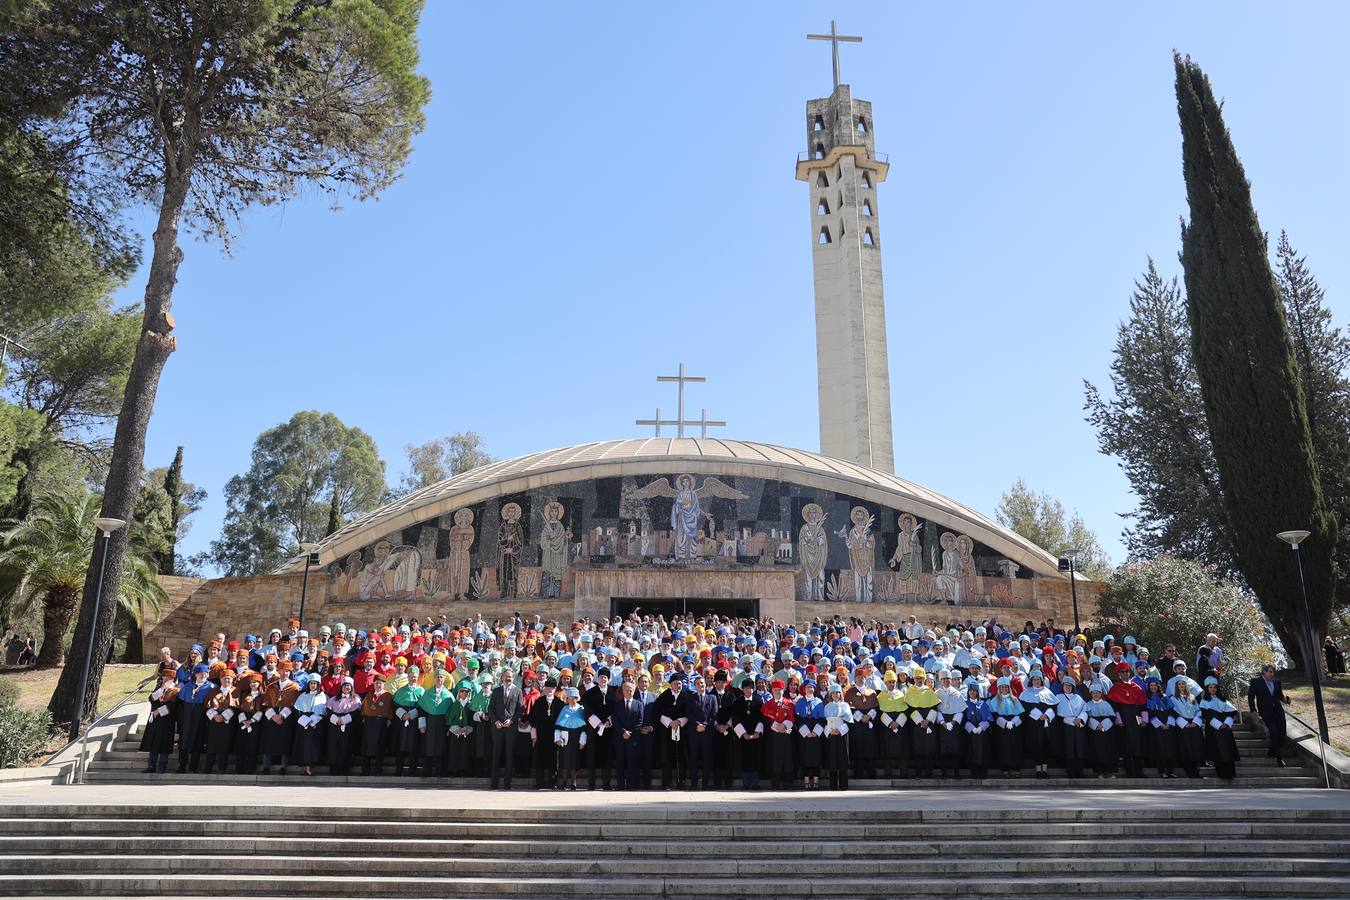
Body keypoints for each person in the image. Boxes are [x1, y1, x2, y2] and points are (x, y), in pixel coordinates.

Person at [1106, 662, 1147, 778]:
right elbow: (1114, 707)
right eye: (1122, 672)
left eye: (1127, 671)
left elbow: (1143, 705)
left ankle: (1139, 772)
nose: (1125, 674)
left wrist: (1144, 720)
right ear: (1119, 674)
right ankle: (1130, 772)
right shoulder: (1115, 688)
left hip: (1136, 719)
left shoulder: (1137, 687)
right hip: (1123, 720)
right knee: (1126, 745)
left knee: (1138, 745)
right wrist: (1119, 720)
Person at [1246, 664, 1291, 767]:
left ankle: (1272, 751)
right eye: (1270, 672)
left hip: (1278, 711)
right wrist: (1253, 710)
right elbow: (1250, 697)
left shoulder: (1276, 681)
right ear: (1264, 672)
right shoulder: (1256, 682)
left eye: (1273, 672)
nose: (1272, 674)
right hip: (1266, 712)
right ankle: (1279, 758)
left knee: (1282, 733)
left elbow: (1280, 696)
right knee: (1274, 732)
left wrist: (1286, 700)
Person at [1018, 671, 1058, 779]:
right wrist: (1038, 715)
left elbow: (1054, 706)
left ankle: (1044, 770)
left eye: (1038, 679)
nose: (1036, 681)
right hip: (1033, 725)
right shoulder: (1026, 693)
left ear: (1042, 680)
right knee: (1036, 746)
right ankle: (1038, 771)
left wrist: (1047, 715)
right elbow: (1025, 708)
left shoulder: (1047, 691)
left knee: (1046, 746)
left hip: (1046, 724)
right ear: (1031, 681)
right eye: (1034, 679)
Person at [488, 668, 522, 789]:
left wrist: (511, 721)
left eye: (510, 677)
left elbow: (520, 710)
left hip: (510, 728)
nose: (508, 679)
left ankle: (507, 784)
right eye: (506, 676)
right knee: (496, 755)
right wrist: (496, 721)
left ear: (513, 678)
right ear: (502, 677)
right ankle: (494, 783)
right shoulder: (496, 691)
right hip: (498, 728)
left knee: (509, 755)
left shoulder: (518, 691)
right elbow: (490, 708)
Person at [175, 663, 213, 774]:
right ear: (195, 674)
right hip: (187, 717)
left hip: (200, 717)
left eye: (205, 673)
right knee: (184, 741)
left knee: (197, 741)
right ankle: (182, 766)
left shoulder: (211, 688)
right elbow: (180, 702)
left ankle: (193, 766)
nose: (203, 675)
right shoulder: (188, 686)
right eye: (200, 673)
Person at [1200, 676, 1240, 781]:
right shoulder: (1204, 701)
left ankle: (1230, 772)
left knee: (1228, 749)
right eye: (1210, 687)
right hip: (1213, 729)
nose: (1213, 689)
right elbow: (1206, 715)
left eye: (1214, 687)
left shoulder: (1223, 700)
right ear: (1207, 689)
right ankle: (1222, 773)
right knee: (1217, 750)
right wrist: (1218, 724)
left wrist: (1226, 723)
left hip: (1226, 729)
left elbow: (1231, 712)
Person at [139, 671, 179, 774]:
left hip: (167, 721)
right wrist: (161, 689)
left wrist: (159, 711)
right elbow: (151, 699)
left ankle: (162, 767)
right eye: (164, 676)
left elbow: (173, 706)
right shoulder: (159, 688)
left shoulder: (176, 690)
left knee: (164, 744)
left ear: (172, 678)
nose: (164, 678)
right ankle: (151, 766)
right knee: (154, 744)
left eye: (167, 677)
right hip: (155, 720)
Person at [686, 673, 719, 790]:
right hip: (694, 732)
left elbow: (714, 713)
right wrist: (697, 725)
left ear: (706, 684)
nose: (700, 685)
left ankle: (705, 784)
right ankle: (694, 784)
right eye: (698, 684)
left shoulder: (712, 698)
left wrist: (704, 725)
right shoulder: (690, 698)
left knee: (707, 758)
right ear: (695, 686)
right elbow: (688, 713)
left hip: (707, 732)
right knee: (693, 758)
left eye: (702, 683)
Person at [202, 670, 238, 774]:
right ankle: (208, 767)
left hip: (227, 722)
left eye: (229, 678)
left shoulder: (236, 691)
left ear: (232, 680)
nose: (227, 680)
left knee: (224, 745)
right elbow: (207, 706)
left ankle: (222, 768)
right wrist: (215, 716)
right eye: (224, 678)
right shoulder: (214, 691)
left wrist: (223, 716)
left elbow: (236, 707)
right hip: (214, 721)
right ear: (220, 680)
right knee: (211, 744)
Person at [291, 675, 328, 776]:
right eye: (311, 683)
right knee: (303, 745)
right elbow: (297, 710)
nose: (313, 685)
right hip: (303, 724)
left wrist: (314, 720)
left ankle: (310, 766)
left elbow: (323, 711)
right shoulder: (303, 695)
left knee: (313, 746)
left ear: (318, 685)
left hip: (316, 724)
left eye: (315, 683)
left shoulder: (322, 696)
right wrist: (305, 720)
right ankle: (304, 766)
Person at [989, 676, 1024, 778]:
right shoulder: (994, 700)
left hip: (1014, 727)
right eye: (1002, 687)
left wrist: (1013, 722)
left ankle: (1016, 768)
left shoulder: (1015, 699)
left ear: (1009, 688)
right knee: (1003, 748)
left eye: (1006, 687)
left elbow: (1021, 714)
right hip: (1001, 728)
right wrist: (1004, 723)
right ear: (999, 688)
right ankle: (1005, 769)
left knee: (1015, 747)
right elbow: (994, 715)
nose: (1004, 689)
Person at [1054, 676, 1088, 779]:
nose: (1067, 687)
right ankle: (1070, 772)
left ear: (1073, 687)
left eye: (1070, 685)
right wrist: (1070, 720)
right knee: (1069, 749)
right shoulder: (1058, 697)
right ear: (1062, 686)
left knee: (1079, 749)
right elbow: (1058, 714)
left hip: (1078, 726)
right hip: (1065, 728)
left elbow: (1085, 710)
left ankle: (1080, 771)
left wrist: (1080, 718)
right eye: (1065, 685)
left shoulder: (1078, 698)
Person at [326, 677, 363, 776]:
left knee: (346, 745)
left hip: (348, 725)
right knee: (333, 746)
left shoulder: (356, 699)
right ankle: (333, 767)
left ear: (352, 687)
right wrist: (336, 720)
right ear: (341, 687)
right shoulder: (334, 699)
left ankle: (344, 767)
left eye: (349, 686)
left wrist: (344, 720)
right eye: (345, 685)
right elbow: (328, 711)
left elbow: (356, 713)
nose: (346, 687)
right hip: (334, 725)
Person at [360, 672, 394, 775]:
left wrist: (388, 720)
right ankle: (365, 770)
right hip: (369, 722)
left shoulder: (388, 696)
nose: (378, 685)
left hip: (381, 723)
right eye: (376, 683)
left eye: (380, 683)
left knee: (380, 746)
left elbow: (389, 709)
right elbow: (364, 708)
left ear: (384, 684)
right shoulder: (369, 695)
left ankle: (378, 769)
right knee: (366, 746)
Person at [1169, 680, 1205, 779]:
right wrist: (1184, 723)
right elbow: (1173, 712)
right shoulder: (1173, 698)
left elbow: (1198, 710)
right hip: (1183, 725)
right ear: (1176, 686)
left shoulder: (1192, 697)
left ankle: (1196, 771)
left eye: (1183, 684)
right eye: (1179, 684)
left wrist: (1195, 721)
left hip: (1194, 724)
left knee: (1196, 748)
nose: (1181, 686)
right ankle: (1189, 771)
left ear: (1186, 686)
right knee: (1186, 748)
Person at [554, 686, 587, 790]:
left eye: (574, 698)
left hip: (576, 738)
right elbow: (558, 725)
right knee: (564, 761)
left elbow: (584, 728)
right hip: (565, 738)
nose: (572, 700)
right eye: (569, 698)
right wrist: (557, 738)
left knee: (574, 761)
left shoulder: (581, 709)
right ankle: (563, 782)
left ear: (577, 698)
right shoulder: (564, 709)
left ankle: (573, 782)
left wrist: (582, 741)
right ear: (567, 699)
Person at [1142, 677, 1176, 778]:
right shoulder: (1146, 698)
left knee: (1170, 748)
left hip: (1168, 724)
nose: (1153, 687)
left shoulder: (1165, 697)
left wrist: (1168, 724)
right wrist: (1160, 725)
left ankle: (1170, 771)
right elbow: (1149, 713)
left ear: (1158, 686)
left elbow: (1171, 711)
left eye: (1155, 685)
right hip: (1155, 726)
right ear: (1148, 687)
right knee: (1159, 748)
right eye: (1151, 686)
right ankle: (1162, 771)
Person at [822, 685, 852, 790]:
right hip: (831, 734)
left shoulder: (845, 705)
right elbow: (824, 722)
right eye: (833, 693)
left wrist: (840, 730)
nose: (835, 695)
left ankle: (844, 785)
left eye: (837, 692)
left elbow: (849, 721)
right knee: (832, 758)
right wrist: (830, 731)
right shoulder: (827, 706)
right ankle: (833, 785)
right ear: (831, 695)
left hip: (842, 734)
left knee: (843, 757)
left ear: (840, 694)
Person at [962, 684, 993, 779]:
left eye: (974, 691)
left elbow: (988, 718)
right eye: (970, 691)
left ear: (977, 692)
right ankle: (974, 771)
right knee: (972, 750)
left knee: (983, 750)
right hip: (970, 731)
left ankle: (983, 771)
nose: (972, 692)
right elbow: (964, 719)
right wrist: (972, 728)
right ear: (968, 692)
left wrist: (980, 727)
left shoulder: (983, 704)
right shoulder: (965, 704)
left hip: (982, 731)